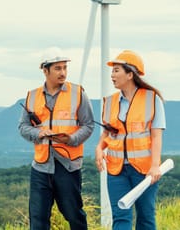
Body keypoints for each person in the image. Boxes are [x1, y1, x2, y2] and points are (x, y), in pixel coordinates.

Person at [19, 47, 94, 230]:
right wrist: (39, 133)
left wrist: (71, 139)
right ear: (45, 70)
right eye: (58, 68)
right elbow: (23, 127)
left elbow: (89, 125)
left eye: (64, 68)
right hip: (41, 166)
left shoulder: (78, 94)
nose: (63, 73)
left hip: (67, 165)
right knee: (37, 220)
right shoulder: (32, 96)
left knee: (74, 215)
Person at [95, 50, 166, 230]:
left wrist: (155, 165)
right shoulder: (109, 102)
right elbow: (108, 133)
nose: (112, 75)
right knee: (120, 217)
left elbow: (156, 135)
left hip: (144, 170)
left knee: (145, 217)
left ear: (130, 74)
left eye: (116, 70)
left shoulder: (152, 99)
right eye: (112, 71)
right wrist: (99, 148)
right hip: (116, 170)